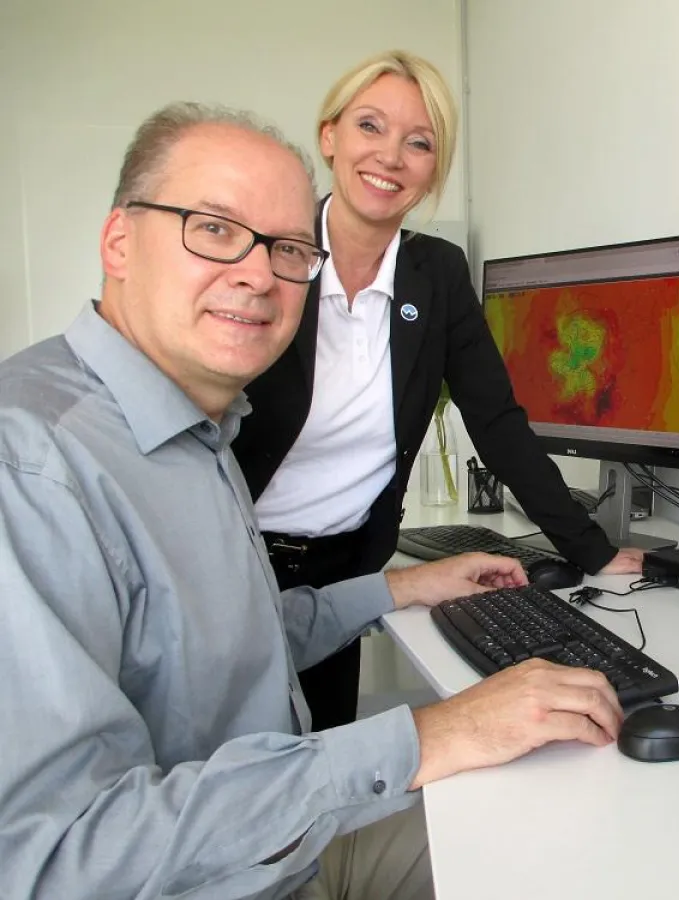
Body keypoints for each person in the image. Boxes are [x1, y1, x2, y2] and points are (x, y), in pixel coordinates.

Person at [0, 102, 623, 900]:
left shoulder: (198, 427)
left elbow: (218, 652)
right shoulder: (34, 465)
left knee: (570, 800)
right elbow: (56, 859)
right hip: (231, 876)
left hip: (269, 848)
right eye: (214, 229)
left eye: (290, 249)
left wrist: (400, 588)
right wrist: (428, 736)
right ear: (119, 241)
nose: (259, 274)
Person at [232, 50, 643, 731]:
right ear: (329, 137)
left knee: (323, 758)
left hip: (346, 572)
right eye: (370, 126)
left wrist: (591, 550)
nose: (391, 156)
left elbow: (497, 420)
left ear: (432, 171)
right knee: (225, 768)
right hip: (237, 561)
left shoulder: (438, 273)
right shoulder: (269, 253)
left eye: (418, 142)